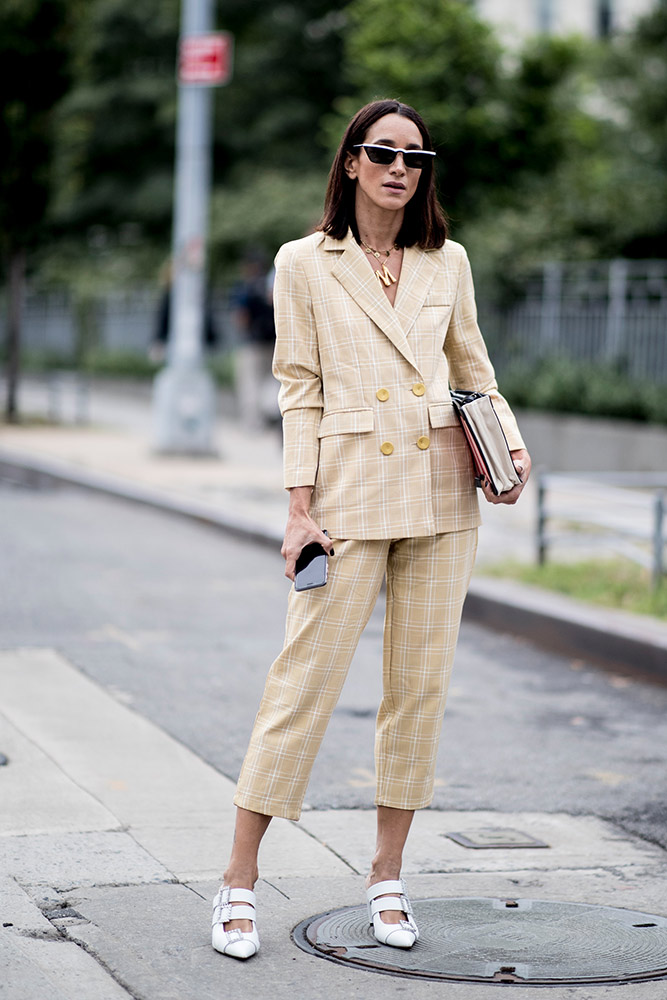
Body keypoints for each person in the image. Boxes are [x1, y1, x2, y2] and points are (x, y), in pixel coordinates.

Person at [211, 99, 531, 960]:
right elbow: (298, 388)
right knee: (301, 687)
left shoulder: (446, 261)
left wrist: (505, 445)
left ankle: (386, 877)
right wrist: (297, 509)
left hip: (439, 497)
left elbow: (475, 371)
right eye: (382, 152)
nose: (399, 167)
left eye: (415, 156)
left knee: (416, 693)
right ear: (351, 162)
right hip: (346, 499)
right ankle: (237, 882)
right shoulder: (304, 263)